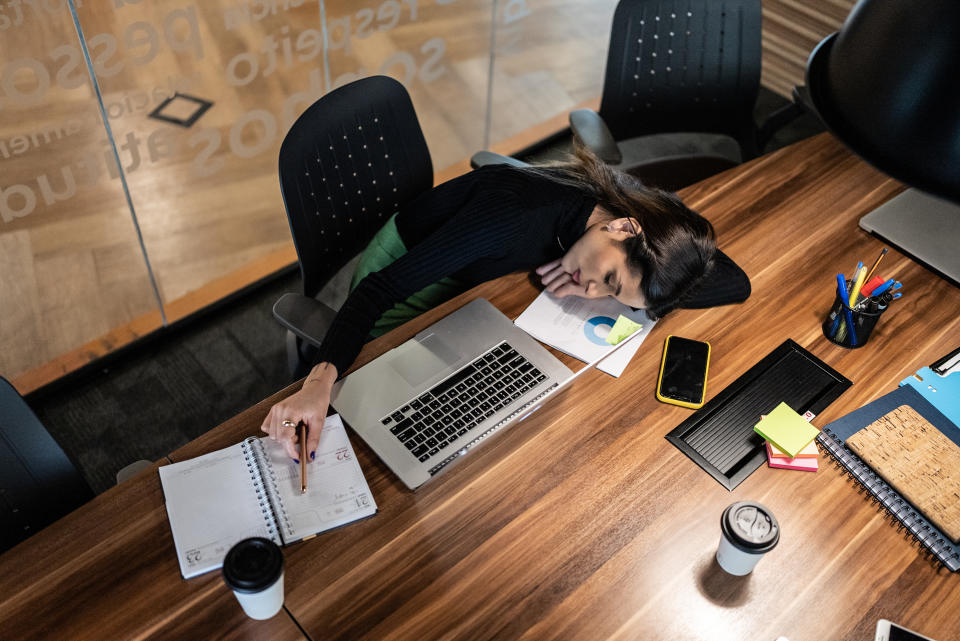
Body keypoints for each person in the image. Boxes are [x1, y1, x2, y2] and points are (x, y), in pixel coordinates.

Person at [261, 144, 751, 460]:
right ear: (623, 229)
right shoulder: (517, 215)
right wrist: (317, 385)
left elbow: (733, 283)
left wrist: (615, 280)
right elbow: (377, 292)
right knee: (419, 418)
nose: (594, 291)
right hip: (406, 280)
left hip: (472, 275)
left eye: (612, 294)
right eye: (607, 277)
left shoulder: (622, 209)